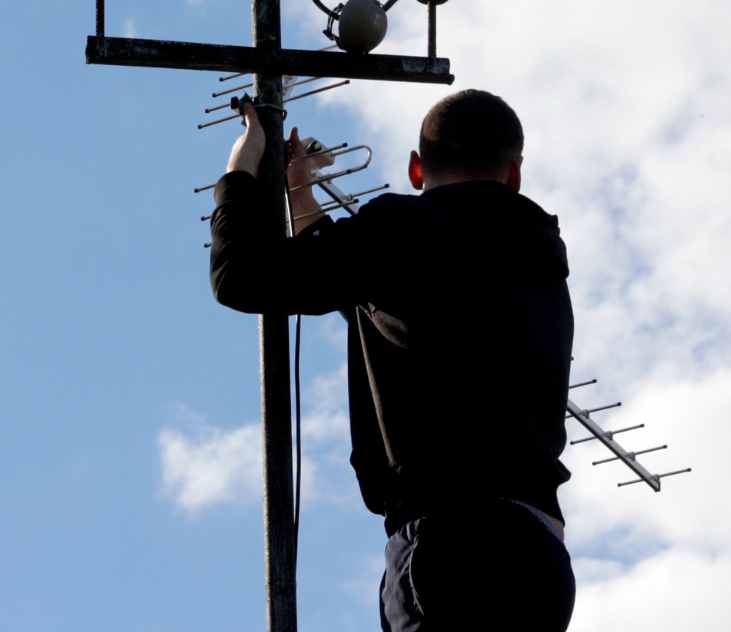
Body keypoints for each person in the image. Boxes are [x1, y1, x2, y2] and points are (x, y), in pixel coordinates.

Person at [208, 88, 577, 632]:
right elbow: (367, 292)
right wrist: (300, 192)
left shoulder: (399, 233)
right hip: (537, 555)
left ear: (414, 168)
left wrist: (242, 165)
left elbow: (240, 276)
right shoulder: (539, 254)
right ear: (516, 174)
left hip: (448, 547)